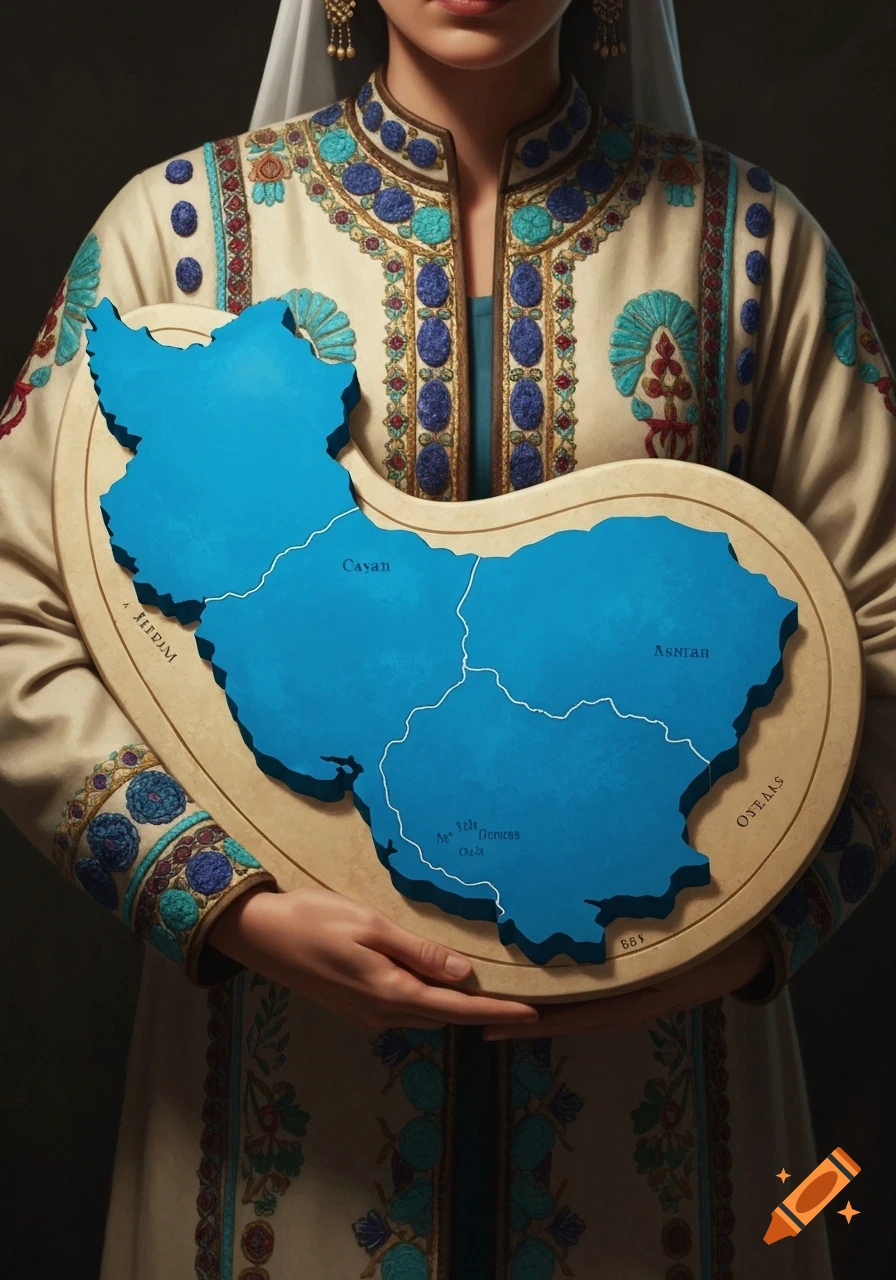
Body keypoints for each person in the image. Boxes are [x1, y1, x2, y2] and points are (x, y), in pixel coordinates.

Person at [1, 0, 893, 1275]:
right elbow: (14, 608)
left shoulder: (749, 254)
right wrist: (228, 902)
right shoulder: (184, 238)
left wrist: (744, 937)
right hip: (277, 1108)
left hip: (660, 1064)